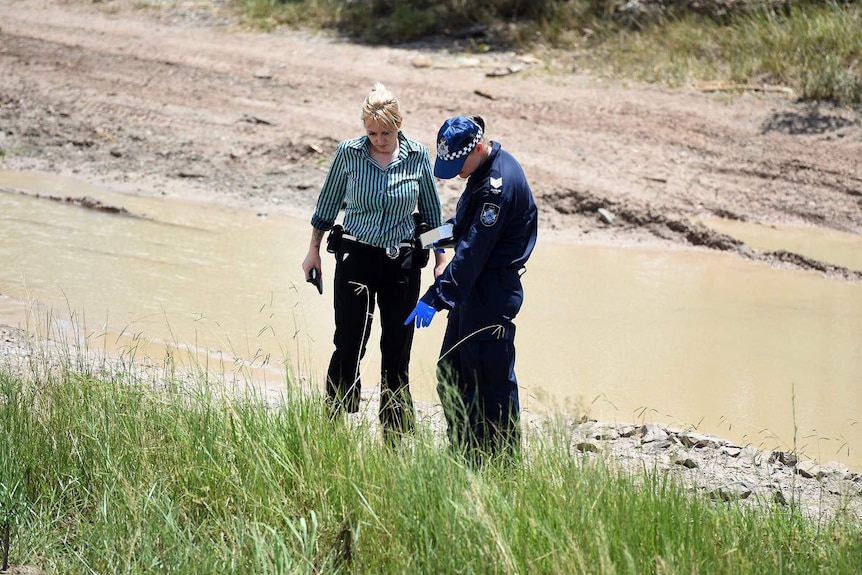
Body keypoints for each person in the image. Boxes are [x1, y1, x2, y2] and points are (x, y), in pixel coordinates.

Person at [301, 82, 446, 443]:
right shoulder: (349, 153)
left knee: (397, 350)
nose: (379, 139)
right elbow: (327, 204)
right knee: (349, 342)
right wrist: (313, 249)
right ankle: (333, 423)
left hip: (401, 265)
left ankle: (394, 434)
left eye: (386, 132)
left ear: (399, 124)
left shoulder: (417, 156)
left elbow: (431, 213)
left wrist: (441, 258)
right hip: (356, 259)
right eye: (372, 132)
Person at [405, 115, 538, 463]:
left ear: (477, 148)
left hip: (491, 294)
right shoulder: (480, 172)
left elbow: (471, 253)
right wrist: (422, 239)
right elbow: (459, 228)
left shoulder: (498, 186)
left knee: (491, 384)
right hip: (469, 291)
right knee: (451, 372)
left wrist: (435, 298)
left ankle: (503, 464)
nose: (456, 173)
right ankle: (464, 453)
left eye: (458, 165)